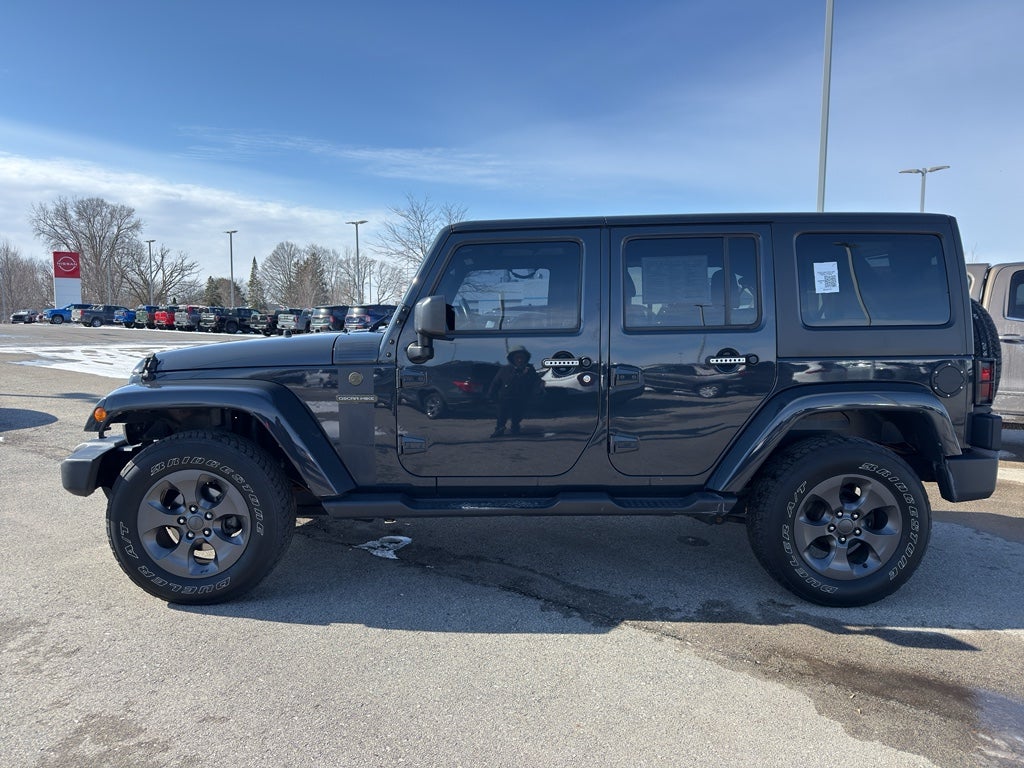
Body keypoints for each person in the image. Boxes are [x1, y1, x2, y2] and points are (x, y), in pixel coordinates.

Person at [487, 345, 542, 437]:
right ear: (512, 358)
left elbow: (536, 382)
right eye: (517, 357)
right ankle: (499, 428)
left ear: (526, 358)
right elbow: (495, 383)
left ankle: (515, 426)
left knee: (517, 414)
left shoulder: (530, 370)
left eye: (522, 357)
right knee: (501, 414)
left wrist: (538, 389)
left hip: (521, 398)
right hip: (505, 398)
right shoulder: (505, 369)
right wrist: (491, 395)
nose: (520, 360)